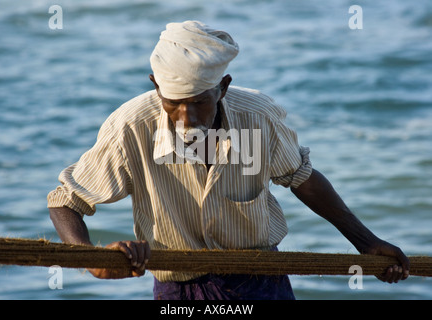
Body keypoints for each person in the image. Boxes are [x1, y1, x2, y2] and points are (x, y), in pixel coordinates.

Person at [48, 21, 410, 300]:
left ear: (223, 87)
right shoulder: (130, 127)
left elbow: (303, 179)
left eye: (199, 102)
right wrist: (90, 259)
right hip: (180, 290)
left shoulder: (259, 117)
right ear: (155, 86)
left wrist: (366, 242)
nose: (186, 118)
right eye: (173, 103)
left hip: (261, 282)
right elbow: (65, 202)